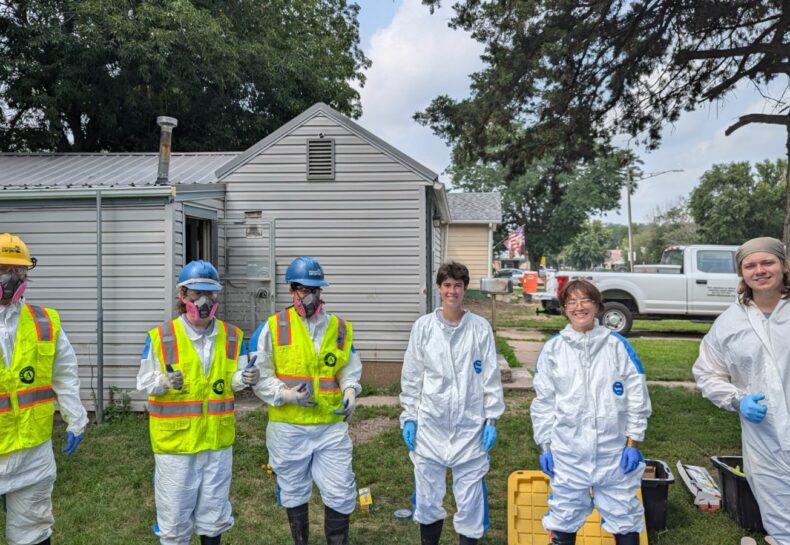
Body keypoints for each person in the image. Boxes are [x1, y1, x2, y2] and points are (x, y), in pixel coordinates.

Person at [137, 260, 258, 545]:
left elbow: (232, 380)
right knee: (175, 521)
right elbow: (143, 383)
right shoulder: (161, 337)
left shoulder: (231, 335)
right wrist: (163, 383)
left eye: (210, 294)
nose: (204, 301)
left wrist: (246, 377)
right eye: (196, 294)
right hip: (176, 447)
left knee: (213, 517)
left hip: (216, 445)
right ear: (182, 296)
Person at [250, 256, 361, 545]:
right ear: (291, 290)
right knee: (294, 491)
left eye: (315, 290)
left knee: (340, 491)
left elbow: (348, 368)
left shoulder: (339, 328)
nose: (309, 297)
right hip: (289, 428)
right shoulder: (273, 327)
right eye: (303, 290)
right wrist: (286, 394)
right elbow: (260, 375)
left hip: (330, 427)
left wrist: (350, 390)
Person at [531, 279, 651, 545]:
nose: (579, 307)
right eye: (571, 302)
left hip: (613, 454)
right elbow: (543, 403)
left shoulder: (617, 346)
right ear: (564, 309)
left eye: (585, 300)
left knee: (625, 519)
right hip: (567, 454)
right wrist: (545, 446)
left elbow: (637, 399)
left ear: (598, 306)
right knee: (563, 519)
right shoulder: (553, 349)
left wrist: (633, 442)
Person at [693, 237, 790, 544]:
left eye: (768, 262)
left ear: (784, 266)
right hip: (763, 435)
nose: (759, 270)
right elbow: (707, 372)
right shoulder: (730, 322)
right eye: (750, 265)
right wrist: (737, 400)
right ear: (742, 273)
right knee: (777, 508)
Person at [400, 261, 505, 545]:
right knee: (428, 497)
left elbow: (491, 378)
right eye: (447, 285)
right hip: (430, 427)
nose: (452, 291)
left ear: (465, 289)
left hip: (470, 429)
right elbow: (412, 377)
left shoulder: (479, 328)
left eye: (458, 285)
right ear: (439, 288)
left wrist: (491, 419)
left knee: (470, 502)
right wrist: (409, 417)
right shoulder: (423, 328)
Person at [0, 232, 88, 545]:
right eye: (3, 269)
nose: (11, 279)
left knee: (33, 532)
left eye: (18, 271)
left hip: (32, 452)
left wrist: (76, 416)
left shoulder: (43, 322)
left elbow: (64, 372)